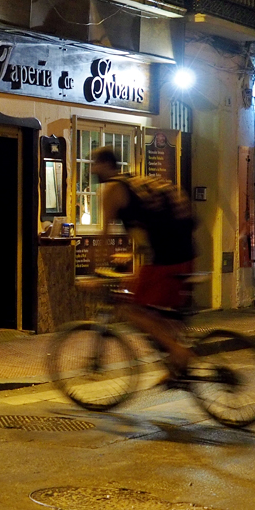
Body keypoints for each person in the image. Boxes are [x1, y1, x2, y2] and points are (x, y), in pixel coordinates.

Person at [91, 146, 197, 378]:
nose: (91, 168)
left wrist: (98, 274)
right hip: (185, 249)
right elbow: (146, 225)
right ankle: (176, 370)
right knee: (159, 313)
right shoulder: (137, 182)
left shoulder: (112, 190)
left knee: (133, 311)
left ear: (106, 165)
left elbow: (105, 236)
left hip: (166, 255)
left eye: (94, 163)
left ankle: (179, 352)